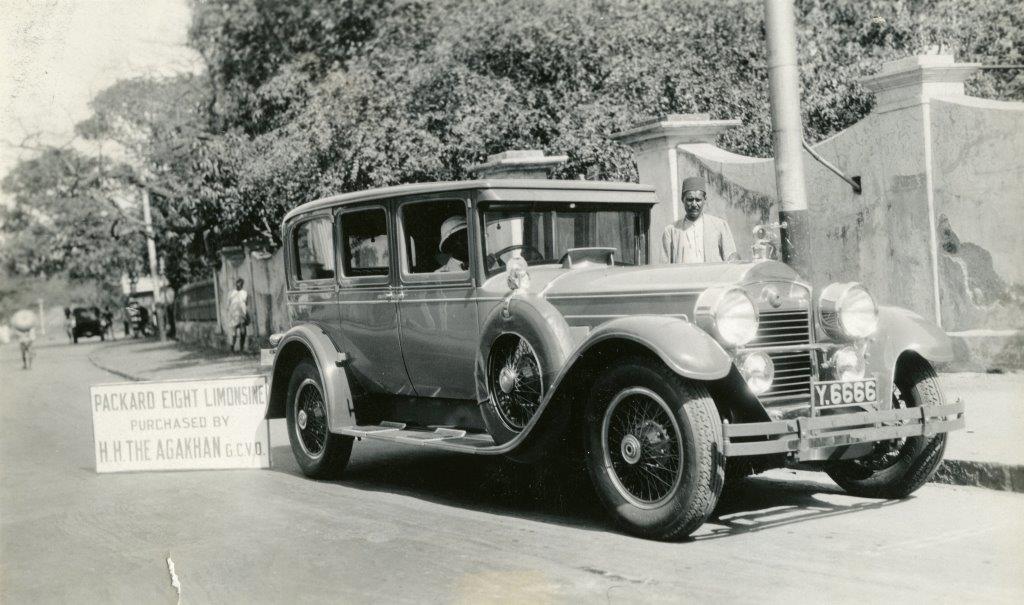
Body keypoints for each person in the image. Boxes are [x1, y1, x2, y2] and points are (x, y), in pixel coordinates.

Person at [661, 176, 739, 264]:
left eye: (698, 200)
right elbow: (665, 265)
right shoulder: (671, 231)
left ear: (705, 200)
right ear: (683, 199)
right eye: (690, 200)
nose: (694, 204)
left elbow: (732, 258)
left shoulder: (719, 226)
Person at [227, 278, 249, 352]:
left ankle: (241, 348)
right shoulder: (232, 293)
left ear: (242, 284)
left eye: (240, 283)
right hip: (233, 315)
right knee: (234, 334)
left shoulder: (244, 293)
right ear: (235, 284)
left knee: (243, 332)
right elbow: (228, 304)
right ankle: (231, 348)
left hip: (242, 314)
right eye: (237, 283)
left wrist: (245, 312)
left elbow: (246, 303)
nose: (238, 285)